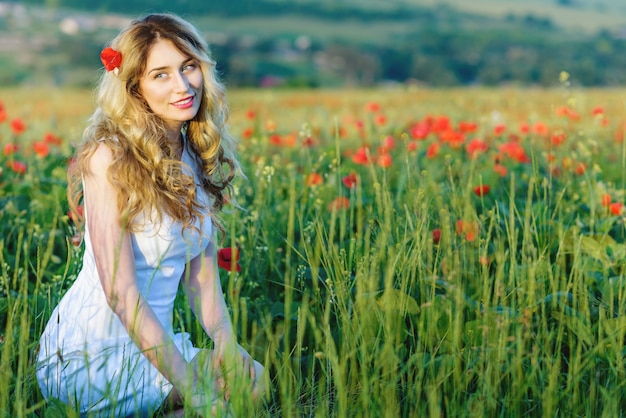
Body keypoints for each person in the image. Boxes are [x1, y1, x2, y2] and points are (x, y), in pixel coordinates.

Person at [35, 13, 264, 417]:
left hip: (156, 345)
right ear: (135, 87)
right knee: (217, 410)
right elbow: (121, 295)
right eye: (160, 74)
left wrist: (228, 346)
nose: (182, 85)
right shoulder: (109, 157)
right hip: (91, 354)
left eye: (188, 67)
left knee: (253, 379)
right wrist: (196, 392)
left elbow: (202, 279)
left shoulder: (193, 151)